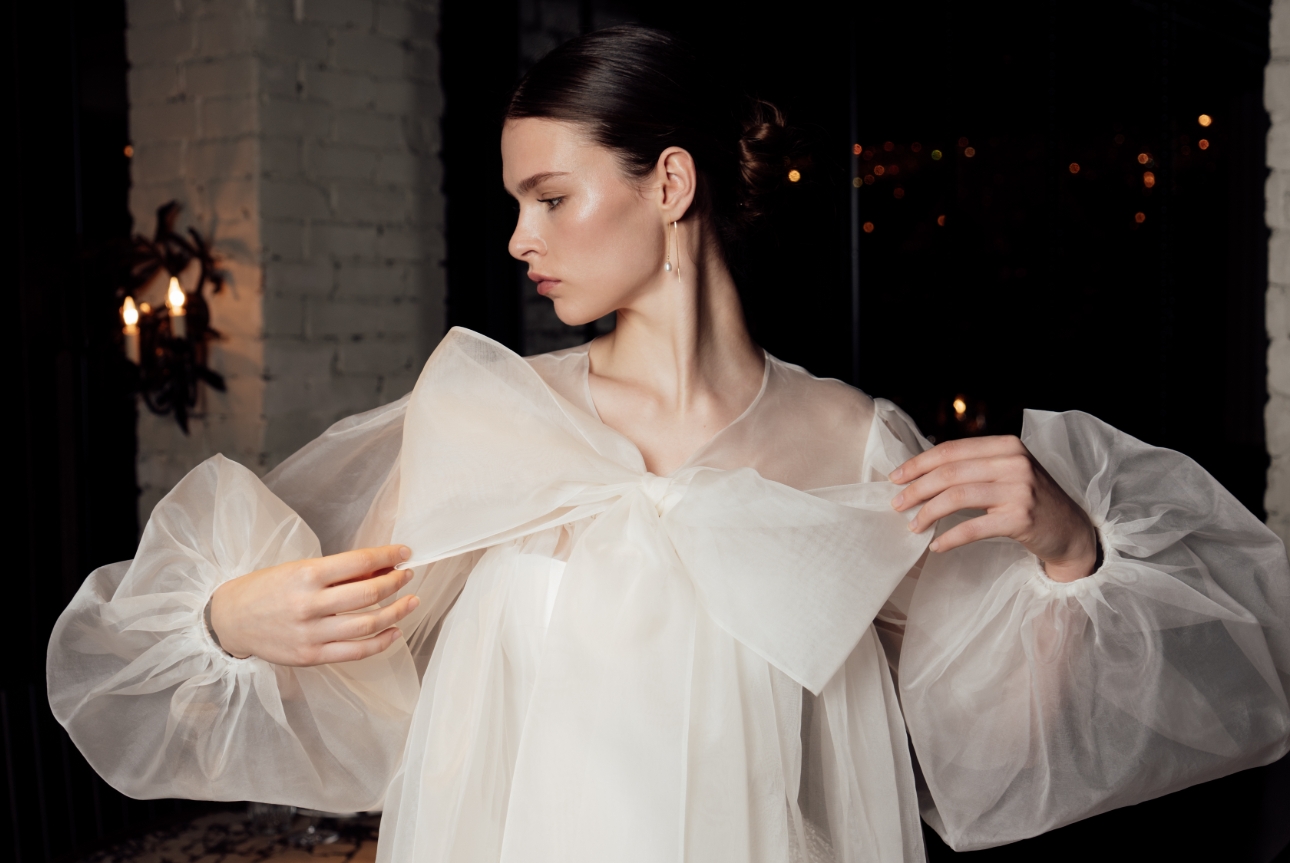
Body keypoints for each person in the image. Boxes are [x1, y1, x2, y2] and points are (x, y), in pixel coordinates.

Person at [48, 26, 1290, 863]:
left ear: (670, 185)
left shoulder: (854, 442)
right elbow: (347, 682)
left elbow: (1000, 737)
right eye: (514, 205)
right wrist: (229, 619)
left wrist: (1070, 550)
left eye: (550, 196)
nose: (522, 239)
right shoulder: (488, 414)